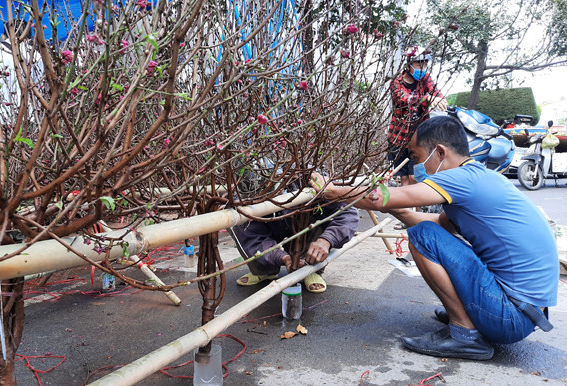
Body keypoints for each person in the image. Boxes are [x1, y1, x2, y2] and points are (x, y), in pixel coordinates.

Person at [311, 115, 558, 360]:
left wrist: (329, 190)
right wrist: (397, 209)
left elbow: (378, 197)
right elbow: (439, 225)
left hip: (511, 317)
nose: (417, 167)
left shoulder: (460, 179)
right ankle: (470, 315)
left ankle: (466, 335)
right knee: (428, 233)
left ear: (439, 152)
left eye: (417, 158)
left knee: (422, 236)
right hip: (524, 312)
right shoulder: (478, 178)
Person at [231, 201, 359, 293]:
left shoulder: (312, 179)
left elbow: (348, 213)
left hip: (307, 232)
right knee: (236, 219)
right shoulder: (249, 189)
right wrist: (282, 257)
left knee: (320, 215)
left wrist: (327, 239)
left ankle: (311, 268)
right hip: (272, 230)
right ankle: (263, 269)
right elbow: (252, 237)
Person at [388, 46, 448, 191]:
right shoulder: (396, 82)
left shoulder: (425, 78)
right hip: (399, 136)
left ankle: (418, 209)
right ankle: (406, 210)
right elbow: (404, 99)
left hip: (420, 135)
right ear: (409, 65)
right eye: (419, 64)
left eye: (425, 64)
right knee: (403, 177)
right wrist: (427, 99)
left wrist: (439, 99)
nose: (423, 68)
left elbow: (435, 91)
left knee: (417, 176)